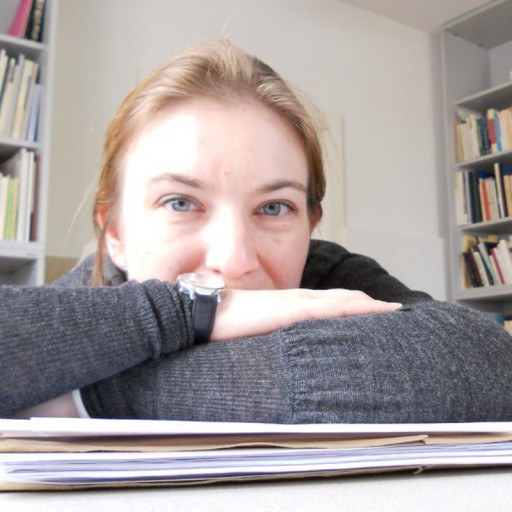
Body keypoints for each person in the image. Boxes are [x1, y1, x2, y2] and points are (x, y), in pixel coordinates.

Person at [2, 39, 512, 422]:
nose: (234, 259)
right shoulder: (88, 295)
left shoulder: (325, 272)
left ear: (310, 225)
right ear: (114, 233)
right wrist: (179, 313)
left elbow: (489, 366)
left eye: (274, 207)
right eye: (180, 202)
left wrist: (93, 394)